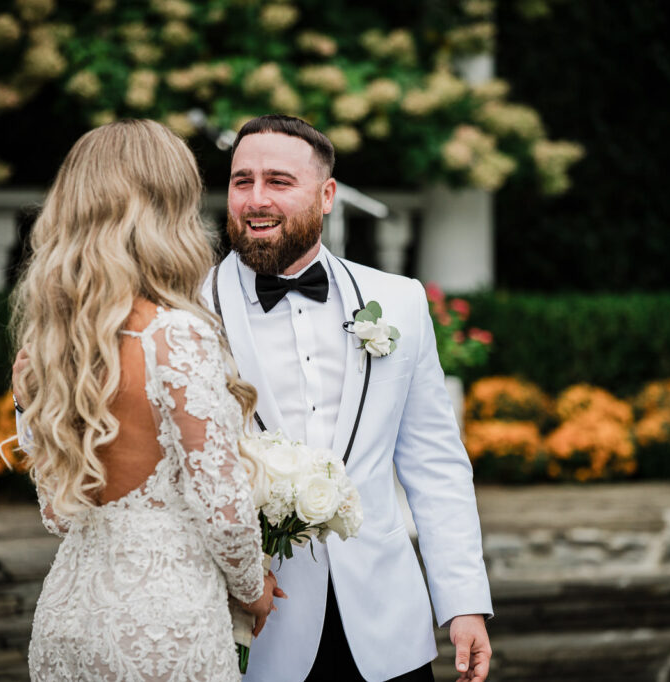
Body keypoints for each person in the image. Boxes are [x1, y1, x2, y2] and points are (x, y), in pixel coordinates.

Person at [205, 115, 493, 682]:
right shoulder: (187, 310)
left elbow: (435, 465)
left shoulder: (400, 301)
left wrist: (462, 600)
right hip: (249, 630)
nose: (256, 200)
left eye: (279, 181)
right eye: (243, 181)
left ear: (327, 195)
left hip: (387, 630)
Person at [10, 119, 280, 681]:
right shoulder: (173, 335)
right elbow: (225, 511)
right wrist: (254, 588)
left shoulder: (46, 345)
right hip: (161, 625)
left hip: (68, 616)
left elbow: (59, 516)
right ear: (167, 210)